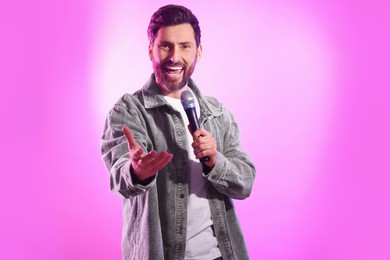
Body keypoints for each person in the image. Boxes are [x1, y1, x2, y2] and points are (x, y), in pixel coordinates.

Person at [101, 4, 256, 260]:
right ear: (150, 49)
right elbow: (120, 176)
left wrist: (217, 161)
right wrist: (137, 172)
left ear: (198, 52)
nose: (174, 56)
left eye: (185, 46)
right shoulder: (129, 111)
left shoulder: (215, 112)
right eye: (165, 45)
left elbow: (245, 183)